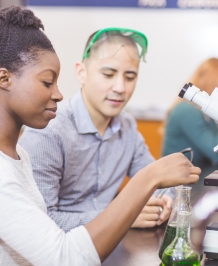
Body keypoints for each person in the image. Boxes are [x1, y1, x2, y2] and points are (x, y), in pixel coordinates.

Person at [0, 6, 200, 266]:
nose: (57, 94)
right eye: (47, 82)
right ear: (4, 79)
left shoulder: (13, 156)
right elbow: (68, 261)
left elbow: (42, 240)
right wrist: (149, 177)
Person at [19, 28, 174, 233]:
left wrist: (164, 200)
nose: (120, 87)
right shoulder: (49, 131)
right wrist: (121, 216)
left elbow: (156, 181)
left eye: (130, 77)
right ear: (81, 73)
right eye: (108, 74)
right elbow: (39, 222)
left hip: (106, 251)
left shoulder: (127, 127)